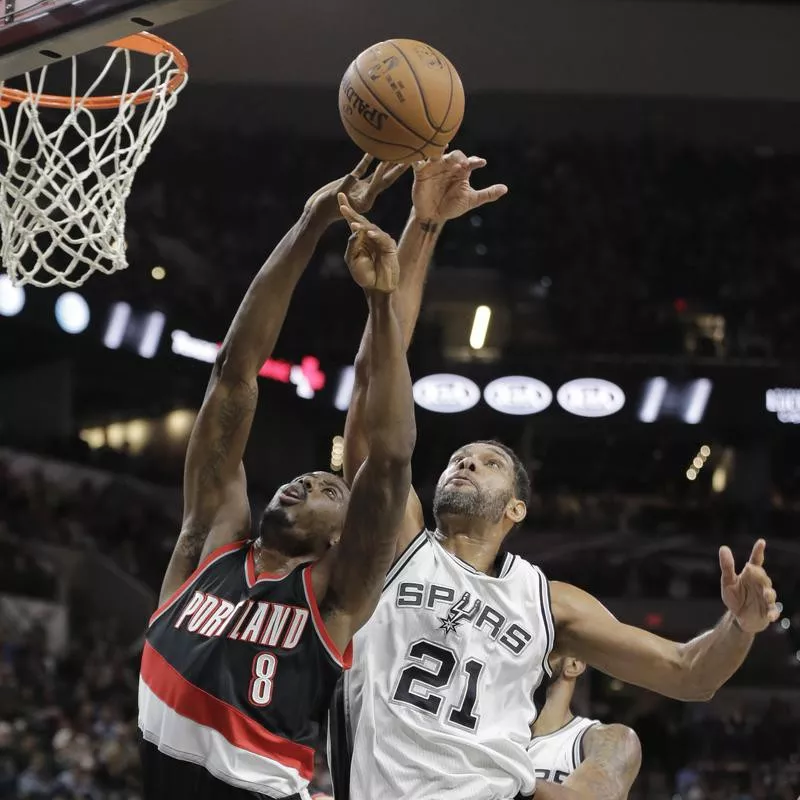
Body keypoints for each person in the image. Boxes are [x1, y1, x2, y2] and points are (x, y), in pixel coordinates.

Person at [329, 151, 780, 800]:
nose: (464, 462)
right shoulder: (396, 544)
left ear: (516, 510)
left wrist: (738, 626)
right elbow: (377, 381)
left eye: (488, 464)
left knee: (612, 754)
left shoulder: (549, 601)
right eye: (459, 457)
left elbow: (689, 673)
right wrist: (423, 228)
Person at [138, 158, 417, 800]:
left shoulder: (334, 592)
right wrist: (310, 221)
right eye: (311, 477)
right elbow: (234, 375)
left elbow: (393, 455)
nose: (306, 483)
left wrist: (381, 302)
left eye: (329, 489)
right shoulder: (204, 544)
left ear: (341, 538)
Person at [527, 657, 641, 799]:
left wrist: (511, 782)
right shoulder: (496, 735)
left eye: (549, 644)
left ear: (574, 664)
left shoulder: (609, 739)